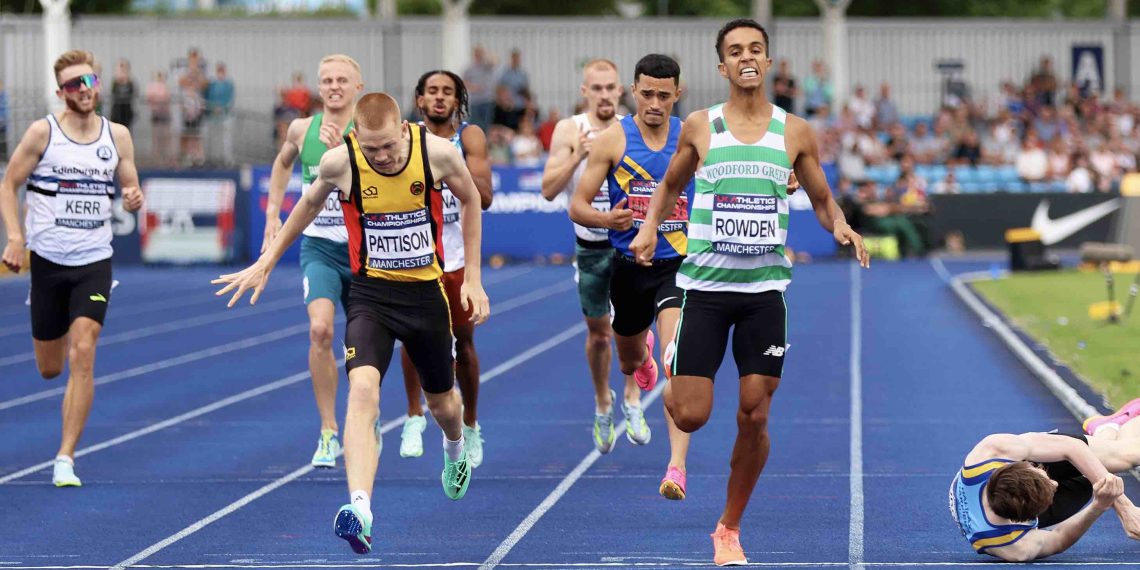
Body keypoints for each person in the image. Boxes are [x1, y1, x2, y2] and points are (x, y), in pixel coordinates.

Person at [629, 19, 869, 566]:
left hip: (764, 291)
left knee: (755, 413)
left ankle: (728, 529)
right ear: (722, 66)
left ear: (767, 60)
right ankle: (664, 354)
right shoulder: (699, 126)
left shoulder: (794, 132)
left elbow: (823, 197)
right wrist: (648, 229)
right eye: (735, 50)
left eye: (755, 49)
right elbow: (669, 185)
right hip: (706, 288)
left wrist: (841, 226)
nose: (746, 57)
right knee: (689, 416)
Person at [215, 92, 490, 555]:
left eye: (388, 147)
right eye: (372, 148)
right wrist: (267, 261)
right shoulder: (341, 163)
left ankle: (456, 447)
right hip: (371, 296)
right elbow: (304, 208)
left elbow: (471, 202)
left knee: (442, 405)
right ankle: (360, 509)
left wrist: (475, 280)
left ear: (404, 130)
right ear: (355, 137)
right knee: (363, 390)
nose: (382, 157)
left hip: (426, 295)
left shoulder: (437, 153)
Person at [0, 49, 144, 487]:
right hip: (47, 262)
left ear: (98, 84)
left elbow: (130, 184)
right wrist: (15, 237)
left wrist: (134, 195)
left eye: (88, 82)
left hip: (93, 261)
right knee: (50, 367)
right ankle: (52, 326)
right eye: (72, 85)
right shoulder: (42, 133)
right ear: (60, 92)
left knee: (84, 350)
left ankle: (65, 456)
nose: (82, 90)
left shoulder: (116, 135)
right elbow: (9, 183)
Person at [567, 53, 693, 496]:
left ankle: (676, 467)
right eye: (647, 93)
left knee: (679, 363)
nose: (655, 103)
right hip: (628, 267)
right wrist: (609, 222)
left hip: (678, 266)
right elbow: (577, 205)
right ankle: (642, 359)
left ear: (677, 94)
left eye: (664, 95)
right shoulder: (612, 141)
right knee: (629, 360)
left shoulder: (692, 136)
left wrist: (784, 181)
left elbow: (733, 174)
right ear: (633, 92)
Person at [262, 54, 364, 469]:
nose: (334, 86)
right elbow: (283, 162)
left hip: (364, 252)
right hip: (319, 246)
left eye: (342, 80)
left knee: (365, 349)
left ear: (358, 87)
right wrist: (272, 212)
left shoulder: (373, 129)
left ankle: (365, 414)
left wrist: (350, 155)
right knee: (320, 331)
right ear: (318, 88)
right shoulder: (302, 129)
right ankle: (328, 431)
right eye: (327, 80)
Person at [541, 59, 640, 454]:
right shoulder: (570, 130)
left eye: (610, 88)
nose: (603, 94)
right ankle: (604, 401)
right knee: (599, 334)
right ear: (585, 92)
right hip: (591, 246)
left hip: (629, 244)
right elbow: (549, 189)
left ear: (621, 91)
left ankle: (632, 397)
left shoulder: (631, 126)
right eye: (596, 88)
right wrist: (578, 156)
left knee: (634, 326)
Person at [397, 70, 493, 466]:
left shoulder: (469, 138)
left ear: (458, 100)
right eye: (432, 92)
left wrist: (448, 166)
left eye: (447, 92)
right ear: (419, 100)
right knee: (411, 338)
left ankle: (470, 425)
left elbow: (484, 197)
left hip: (456, 258)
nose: (439, 98)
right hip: (418, 253)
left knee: (463, 343)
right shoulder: (406, 138)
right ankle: (414, 416)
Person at [949, 398, 1140, 561]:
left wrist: (1124, 508)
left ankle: (1107, 434)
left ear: (1023, 465)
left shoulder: (992, 451)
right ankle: (1106, 430)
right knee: (1097, 475)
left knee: (1127, 456)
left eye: (1045, 477)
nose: (1055, 483)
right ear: (1026, 519)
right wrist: (1099, 505)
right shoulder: (1013, 546)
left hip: (1033, 458)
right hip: (1017, 513)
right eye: (1050, 492)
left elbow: (1071, 448)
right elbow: (1058, 538)